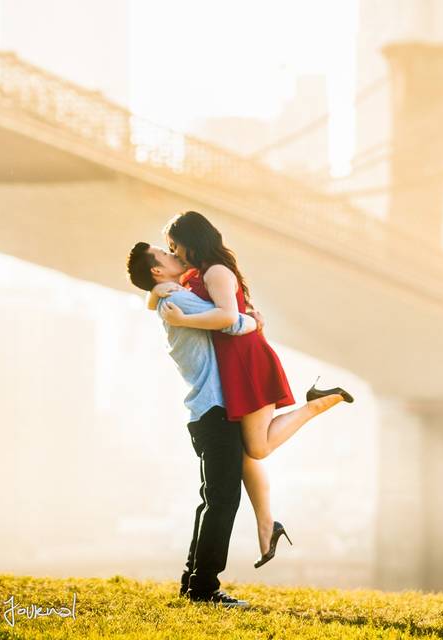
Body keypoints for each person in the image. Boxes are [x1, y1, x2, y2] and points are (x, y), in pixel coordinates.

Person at [149, 210, 353, 566]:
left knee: (256, 450)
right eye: (169, 249)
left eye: (175, 246)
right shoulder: (196, 274)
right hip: (231, 367)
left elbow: (228, 316)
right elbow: (163, 297)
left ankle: (314, 405)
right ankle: (265, 526)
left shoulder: (216, 271)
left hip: (246, 363)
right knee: (244, 452)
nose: (174, 253)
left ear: (192, 241)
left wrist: (184, 319)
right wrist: (158, 293)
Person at [126, 241, 255, 608]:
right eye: (166, 255)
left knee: (212, 500)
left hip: (205, 412)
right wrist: (254, 320)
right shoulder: (177, 301)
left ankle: (193, 581)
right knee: (223, 500)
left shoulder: (170, 296)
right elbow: (230, 321)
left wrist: (154, 294)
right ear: (156, 271)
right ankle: (204, 588)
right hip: (214, 410)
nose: (175, 256)